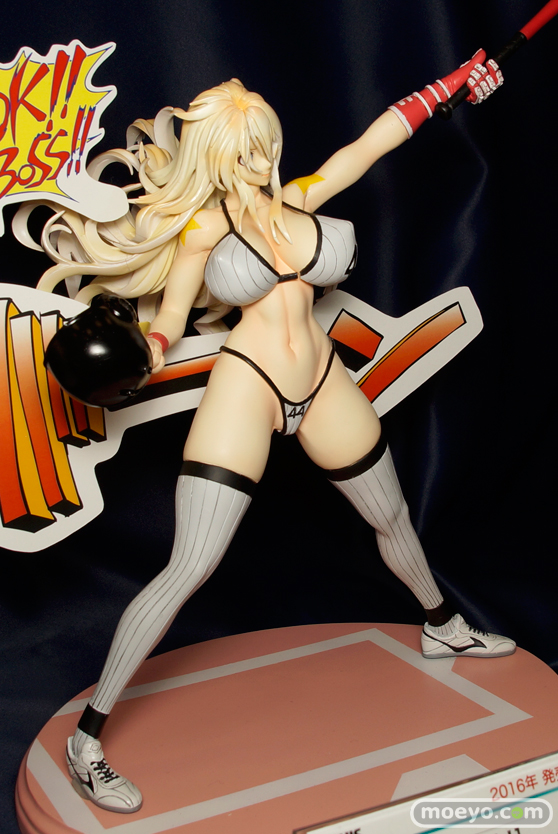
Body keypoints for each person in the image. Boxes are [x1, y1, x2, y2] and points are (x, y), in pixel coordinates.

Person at [32, 51, 513, 813]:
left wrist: (455, 88)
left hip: (321, 380)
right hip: (248, 386)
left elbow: (374, 141)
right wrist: (140, 350)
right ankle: (87, 740)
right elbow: (169, 322)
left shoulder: (300, 195)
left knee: (392, 517)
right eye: (245, 152)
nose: (261, 163)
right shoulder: (200, 231)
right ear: (216, 155)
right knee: (190, 565)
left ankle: (443, 624)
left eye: (266, 146)